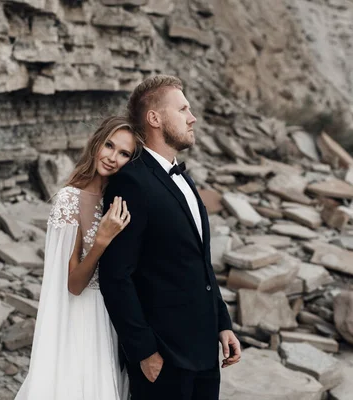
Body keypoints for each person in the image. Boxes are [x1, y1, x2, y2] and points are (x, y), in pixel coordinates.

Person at [98, 75, 242, 400]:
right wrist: (144, 351)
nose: (192, 117)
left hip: (205, 351)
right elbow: (116, 275)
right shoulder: (131, 183)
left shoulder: (181, 175)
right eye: (183, 109)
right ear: (155, 118)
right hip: (164, 359)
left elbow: (199, 262)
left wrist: (223, 323)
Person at [15, 116, 144, 400]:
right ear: (96, 143)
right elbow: (73, 284)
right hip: (82, 316)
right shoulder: (69, 199)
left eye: (124, 154)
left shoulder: (119, 200)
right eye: (109, 146)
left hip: (113, 317)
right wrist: (102, 239)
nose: (112, 157)